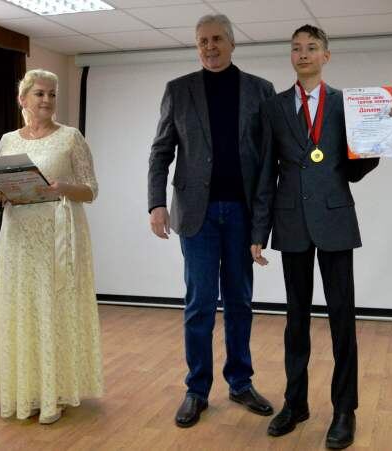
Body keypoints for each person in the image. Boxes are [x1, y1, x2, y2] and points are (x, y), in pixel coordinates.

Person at [250, 25, 392, 449]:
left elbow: (353, 171)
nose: (303, 54)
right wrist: (258, 231)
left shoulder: (347, 105)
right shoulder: (273, 107)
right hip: (291, 223)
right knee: (295, 320)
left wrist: (383, 131)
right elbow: (266, 172)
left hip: (335, 221)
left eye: (312, 47)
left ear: (326, 56)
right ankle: (295, 403)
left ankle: (344, 411)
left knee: (342, 320)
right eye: (296, 48)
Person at [147, 14, 276, 428]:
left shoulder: (260, 90)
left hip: (241, 213)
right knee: (199, 303)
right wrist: (156, 203)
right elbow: (160, 152)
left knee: (239, 302)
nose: (209, 47)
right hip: (196, 215)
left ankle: (240, 382)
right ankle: (197, 389)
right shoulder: (178, 89)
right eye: (202, 41)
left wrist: (262, 223)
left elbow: (269, 162)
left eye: (217, 39)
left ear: (233, 43)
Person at [0, 69, 103, 424]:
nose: (47, 100)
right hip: (19, 238)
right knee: (22, 307)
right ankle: (24, 389)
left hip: (58, 237)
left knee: (54, 308)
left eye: (52, 94)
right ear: (22, 99)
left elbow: (92, 190)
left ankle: (55, 392)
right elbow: (0, 188)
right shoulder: (7, 141)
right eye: (40, 93)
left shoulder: (70, 138)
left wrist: (64, 187)